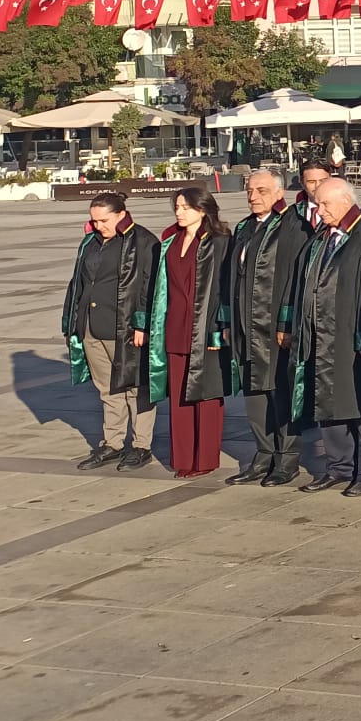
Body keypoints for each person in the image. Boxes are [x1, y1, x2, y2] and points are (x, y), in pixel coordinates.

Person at [292, 178, 361, 494]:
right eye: (317, 204)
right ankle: (339, 466)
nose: (319, 211)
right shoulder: (322, 238)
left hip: (353, 338)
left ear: (346, 202)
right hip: (322, 336)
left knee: (360, 405)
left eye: (324, 204)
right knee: (327, 401)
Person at [222, 171, 313, 485]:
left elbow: (295, 279)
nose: (253, 196)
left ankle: (287, 458)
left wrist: (287, 322)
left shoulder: (293, 226)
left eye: (261, 190)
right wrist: (226, 322)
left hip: (274, 328)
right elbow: (230, 279)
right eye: (249, 190)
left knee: (280, 392)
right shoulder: (245, 228)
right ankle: (263, 454)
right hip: (245, 325)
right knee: (254, 392)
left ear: (278, 192)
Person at [64, 194, 162, 472]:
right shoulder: (90, 242)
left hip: (125, 327)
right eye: (93, 220)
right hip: (92, 326)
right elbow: (80, 282)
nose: (97, 226)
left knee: (135, 388)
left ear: (121, 214)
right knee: (107, 389)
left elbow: (149, 286)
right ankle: (113, 442)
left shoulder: (143, 241)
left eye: (103, 220)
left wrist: (142, 323)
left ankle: (141, 445)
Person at [147, 188, 229, 479]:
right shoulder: (171, 242)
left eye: (185, 207)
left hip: (206, 329)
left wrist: (220, 328)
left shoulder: (219, 242)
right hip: (175, 327)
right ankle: (183, 457)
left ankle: (205, 458)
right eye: (177, 207)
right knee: (179, 397)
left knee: (206, 396)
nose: (179, 212)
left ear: (203, 209)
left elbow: (224, 288)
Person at [293, 158, 333, 230]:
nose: (318, 186)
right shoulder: (293, 213)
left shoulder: (343, 212)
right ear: (302, 183)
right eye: (311, 182)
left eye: (323, 181)